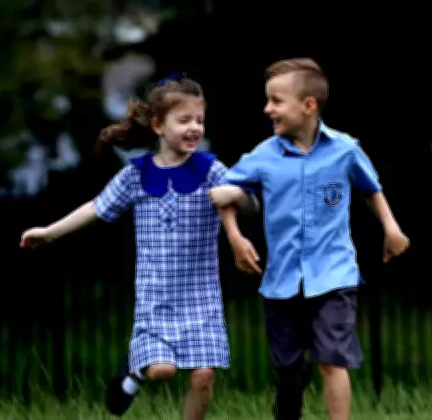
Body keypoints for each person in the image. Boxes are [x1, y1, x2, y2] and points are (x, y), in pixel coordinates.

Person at [20, 75, 258, 420]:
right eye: (185, 120)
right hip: (156, 296)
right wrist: (50, 233)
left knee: (204, 376)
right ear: (159, 125)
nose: (194, 128)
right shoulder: (136, 175)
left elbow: (251, 204)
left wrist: (236, 195)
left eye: (200, 120)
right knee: (162, 371)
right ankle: (132, 373)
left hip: (201, 295)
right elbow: (96, 207)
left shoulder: (211, 169)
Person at [208, 58, 410, 420]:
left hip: (334, 274)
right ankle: (291, 390)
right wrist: (236, 238)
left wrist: (391, 229)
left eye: (276, 100)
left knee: (332, 360)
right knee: (287, 368)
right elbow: (225, 193)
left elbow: (370, 189)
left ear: (309, 105)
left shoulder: (345, 149)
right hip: (282, 279)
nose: (267, 108)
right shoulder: (262, 155)